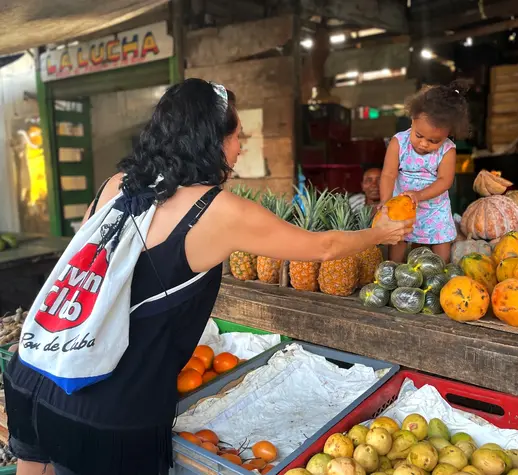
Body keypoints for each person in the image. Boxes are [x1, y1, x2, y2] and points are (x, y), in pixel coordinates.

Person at [4, 79, 413, 475]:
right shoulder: (218, 211)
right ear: (212, 140)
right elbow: (323, 247)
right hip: (107, 408)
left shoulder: (116, 185)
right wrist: (378, 234)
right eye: (237, 137)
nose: (240, 148)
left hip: (35, 371)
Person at [379, 81, 470, 263]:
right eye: (419, 135)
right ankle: (393, 268)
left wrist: (419, 195)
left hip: (435, 207)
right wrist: (385, 201)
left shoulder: (447, 150)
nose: (424, 144)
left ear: (448, 134)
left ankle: (441, 270)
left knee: (441, 240)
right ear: (412, 119)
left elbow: (444, 181)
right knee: (398, 237)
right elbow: (388, 174)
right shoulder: (399, 142)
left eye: (433, 141)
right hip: (403, 203)